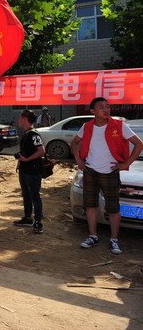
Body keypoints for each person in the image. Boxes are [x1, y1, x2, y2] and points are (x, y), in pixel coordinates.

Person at [71, 97, 143, 254]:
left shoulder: (119, 126)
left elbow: (139, 144)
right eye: (102, 107)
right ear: (93, 111)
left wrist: (126, 163)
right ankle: (93, 236)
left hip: (110, 172)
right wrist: (79, 160)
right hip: (90, 171)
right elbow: (74, 142)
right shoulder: (87, 127)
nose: (106, 110)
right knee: (90, 205)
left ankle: (114, 240)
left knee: (113, 208)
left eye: (108, 107)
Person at [13, 110, 46, 234]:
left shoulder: (34, 134)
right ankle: (27, 218)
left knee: (35, 196)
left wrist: (27, 159)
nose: (18, 120)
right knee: (26, 194)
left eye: (20, 118)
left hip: (33, 170)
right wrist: (20, 162)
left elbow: (41, 150)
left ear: (24, 119)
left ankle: (38, 221)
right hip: (24, 169)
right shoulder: (26, 133)